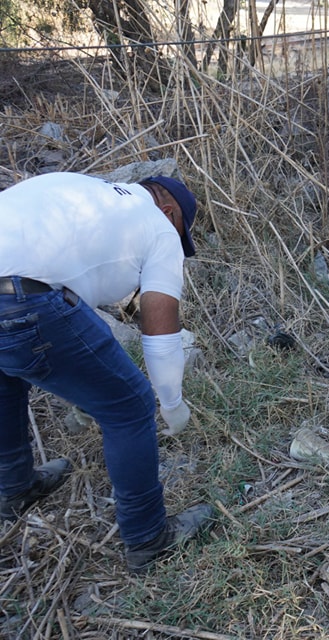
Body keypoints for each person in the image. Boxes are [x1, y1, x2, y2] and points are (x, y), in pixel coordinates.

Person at [0, 172, 213, 572]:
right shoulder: (160, 228)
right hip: (22, 299)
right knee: (130, 405)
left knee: (4, 378)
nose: (177, 243)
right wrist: (171, 403)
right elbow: (160, 333)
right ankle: (148, 538)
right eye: (181, 231)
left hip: (12, 288)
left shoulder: (86, 190)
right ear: (168, 211)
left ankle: (14, 488)